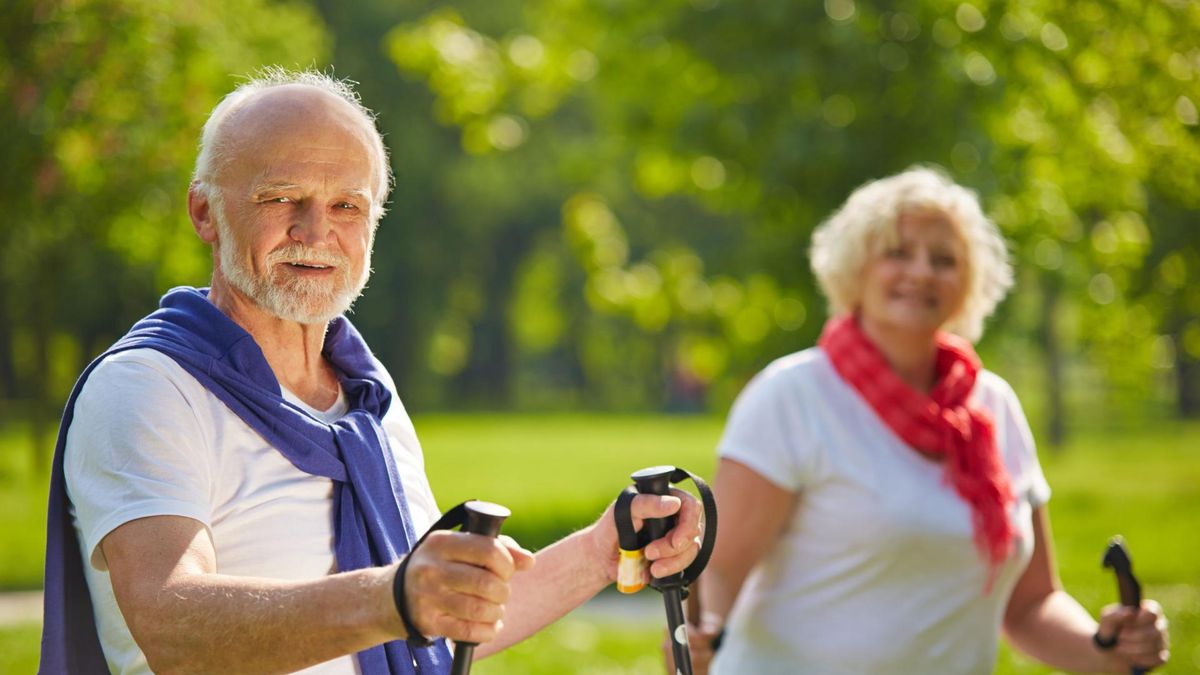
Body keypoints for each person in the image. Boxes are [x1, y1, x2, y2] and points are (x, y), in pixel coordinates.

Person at [40, 68, 703, 674]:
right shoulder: (148, 387)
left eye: (347, 206)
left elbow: (433, 621)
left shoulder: (365, 398)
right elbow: (172, 624)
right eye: (280, 196)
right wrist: (391, 597)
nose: (315, 229)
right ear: (205, 211)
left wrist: (604, 545)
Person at [682, 168, 1169, 674]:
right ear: (856, 269)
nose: (921, 272)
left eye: (944, 260)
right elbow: (719, 572)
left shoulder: (993, 407)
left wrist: (1110, 648)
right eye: (897, 253)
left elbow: (1030, 605)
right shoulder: (792, 396)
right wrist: (699, 637)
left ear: (969, 283)